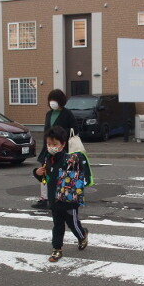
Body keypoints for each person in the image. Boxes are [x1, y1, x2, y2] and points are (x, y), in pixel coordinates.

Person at [33, 126, 89, 262]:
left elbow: (80, 178)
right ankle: (56, 249)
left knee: (73, 224)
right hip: (54, 201)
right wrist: (37, 173)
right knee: (57, 226)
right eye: (48, 144)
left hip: (69, 201)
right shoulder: (48, 160)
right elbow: (46, 180)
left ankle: (82, 236)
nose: (51, 147)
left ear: (63, 144)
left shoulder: (69, 160)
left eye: (55, 144)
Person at [32, 89, 78, 209]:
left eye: (55, 100)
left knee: (61, 174)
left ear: (61, 101)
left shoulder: (67, 114)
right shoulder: (49, 114)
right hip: (47, 149)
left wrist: (60, 134)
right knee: (44, 173)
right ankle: (44, 198)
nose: (52, 102)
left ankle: (63, 197)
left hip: (61, 149)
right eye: (51, 100)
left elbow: (75, 130)